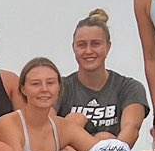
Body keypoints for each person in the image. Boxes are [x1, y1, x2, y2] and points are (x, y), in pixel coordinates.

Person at [58, 11, 150, 143]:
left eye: (95, 44)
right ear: (73, 48)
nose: (88, 51)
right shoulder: (59, 87)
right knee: (74, 119)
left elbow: (131, 130)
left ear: (108, 46)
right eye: (82, 45)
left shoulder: (129, 87)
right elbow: (46, 133)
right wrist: (94, 149)